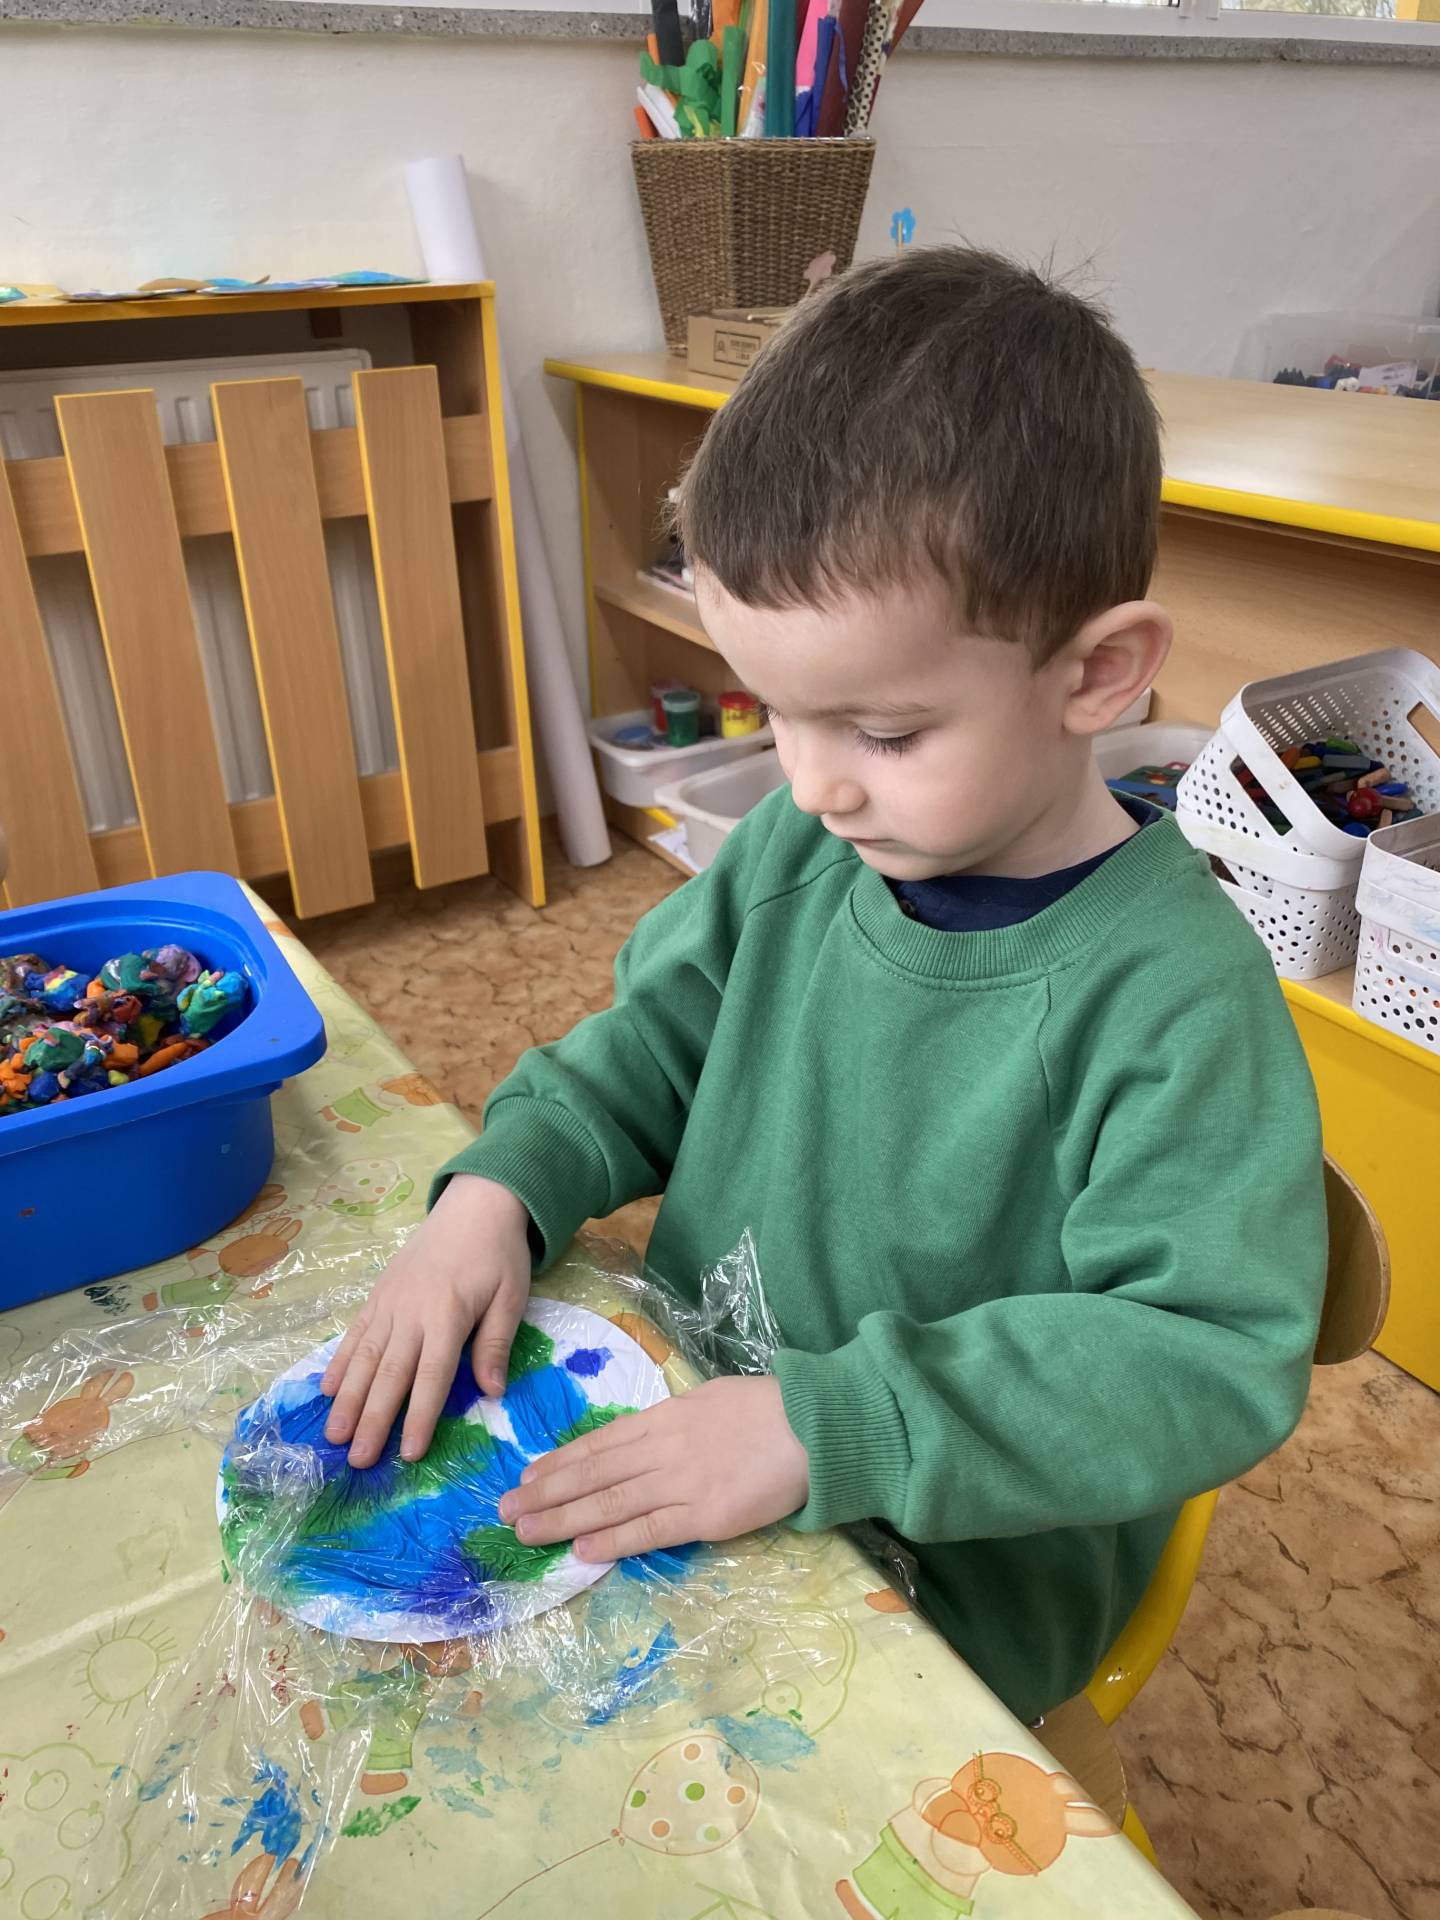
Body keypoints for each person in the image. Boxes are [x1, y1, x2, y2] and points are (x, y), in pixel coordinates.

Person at [321, 248, 1326, 1722]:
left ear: (1098, 676)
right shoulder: (807, 845)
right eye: (780, 715)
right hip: (697, 1425)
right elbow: (650, 1048)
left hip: (947, 1568)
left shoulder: (1176, 998)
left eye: (885, 731)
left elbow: (1206, 1354)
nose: (811, 785)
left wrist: (825, 1425)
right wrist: (497, 1193)